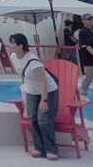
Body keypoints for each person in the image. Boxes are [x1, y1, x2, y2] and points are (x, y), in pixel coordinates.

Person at [8, 33, 59, 161]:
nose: (10, 45)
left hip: (47, 91)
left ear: (20, 46)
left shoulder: (33, 62)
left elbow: (44, 82)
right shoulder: (13, 57)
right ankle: (39, 147)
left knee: (43, 120)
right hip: (31, 91)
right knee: (33, 118)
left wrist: (44, 100)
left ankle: (51, 149)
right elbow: (24, 76)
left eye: (12, 43)